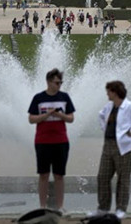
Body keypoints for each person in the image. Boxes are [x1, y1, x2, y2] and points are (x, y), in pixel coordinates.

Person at [89, 81, 131, 220]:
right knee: (103, 177)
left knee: (123, 179)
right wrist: (105, 130)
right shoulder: (109, 106)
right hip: (108, 145)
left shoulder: (130, 106)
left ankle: (121, 209)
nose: (107, 94)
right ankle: (103, 208)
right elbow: (101, 115)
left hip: (125, 147)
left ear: (115, 92)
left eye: (108, 91)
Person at [28, 68, 75, 212]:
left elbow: (71, 118)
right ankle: (42, 206)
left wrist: (60, 115)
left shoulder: (65, 97)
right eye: (56, 82)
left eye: (61, 82)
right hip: (42, 141)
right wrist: (46, 114)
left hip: (61, 141)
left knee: (59, 175)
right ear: (49, 82)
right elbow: (31, 119)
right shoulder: (38, 98)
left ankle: (60, 206)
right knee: (43, 174)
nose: (59, 85)